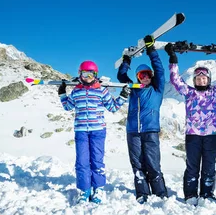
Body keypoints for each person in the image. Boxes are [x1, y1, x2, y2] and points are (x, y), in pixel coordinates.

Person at [165, 42, 216, 205]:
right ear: (194, 80)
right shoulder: (189, 92)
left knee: (209, 167)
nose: (201, 80)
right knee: (192, 167)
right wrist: (173, 59)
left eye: (204, 78)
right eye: (198, 78)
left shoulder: (215, 92)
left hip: (212, 136)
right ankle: (190, 195)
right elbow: (175, 80)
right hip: (193, 136)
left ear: (209, 80)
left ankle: (207, 194)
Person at [59, 60, 130, 204]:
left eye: (91, 74)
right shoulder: (76, 91)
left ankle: (98, 189)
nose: (87, 77)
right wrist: (62, 94)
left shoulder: (101, 91)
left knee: (97, 160)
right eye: (84, 74)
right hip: (81, 132)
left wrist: (122, 96)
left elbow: (113, 107)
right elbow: (68, 107)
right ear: (80, 75)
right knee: (82, 161)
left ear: (95, 75)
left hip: (98, 131)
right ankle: (84, 190)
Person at [117, 35, 168, 203]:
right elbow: (121, 77)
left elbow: (160, 69)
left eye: (147, 74)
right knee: (137, 165)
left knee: (153, 164)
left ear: (151, 75)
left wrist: (151, 50)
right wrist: (126, 60)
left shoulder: (157, 89)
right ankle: (142, 194)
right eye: (141, 75)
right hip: (133, 132)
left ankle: (160, 194)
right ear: (138, 77)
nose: (144, 77)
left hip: (151, 131)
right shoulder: (134, 89)